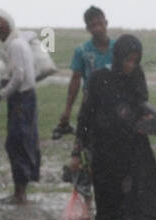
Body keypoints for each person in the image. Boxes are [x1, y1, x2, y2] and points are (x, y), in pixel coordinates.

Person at [70, 34, 156, 220]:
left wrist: (149, 121)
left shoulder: (136, 78)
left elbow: (141, 107)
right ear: (118, 57)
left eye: (135, 61)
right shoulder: (98, 79)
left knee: (138, 200)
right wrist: (78, 150)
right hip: (105, 152)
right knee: (107, 201)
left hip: (134, 150)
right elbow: (85, 116)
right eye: (127, 60)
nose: (130, 65)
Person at [0, 9, 40, 204]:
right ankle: (21, 191)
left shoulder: (15, 46)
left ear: (9, 25)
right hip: (25, 98)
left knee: (16, 144)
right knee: (22, 142)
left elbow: (18, 76)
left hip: (21, 99)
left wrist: (1, 95)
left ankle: (20, 193)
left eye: (0, 27)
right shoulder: (17, 43)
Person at [56, 6, 112, 137]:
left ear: (106, 23)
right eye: (93, 25)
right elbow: (75, 80)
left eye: (100, 23)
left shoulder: (118, 48)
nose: (97, 28)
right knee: (87, 142)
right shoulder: (82, 51)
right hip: (90, 103)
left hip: (114, 104)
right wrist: (68, 109)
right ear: (88, 29)